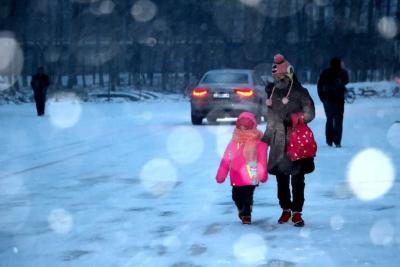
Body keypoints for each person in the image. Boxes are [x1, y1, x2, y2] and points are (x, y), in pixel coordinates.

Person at [262, 54, 315, 227]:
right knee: (281, 179)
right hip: (278, 142)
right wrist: (264, 142)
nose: (278, 79)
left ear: (289, 75)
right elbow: (270, 120)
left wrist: (294, 119)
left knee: (298, 179)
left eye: (281, 76)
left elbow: (310, 113)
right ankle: (285, 209)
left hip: (297, 141)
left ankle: (297, 212)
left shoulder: (301, 92)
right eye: (276, 77)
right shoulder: (273, 94)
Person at [216, 111, 268, 224]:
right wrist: (221, 175)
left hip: (251, 173)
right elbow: (226, 160)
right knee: (236, 196)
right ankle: (242, 210)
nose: (244, 129)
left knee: (247, 195)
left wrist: (263, 174)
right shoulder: (234, 142)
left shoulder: (259, 142)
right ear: (238, 126)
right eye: (241, 126)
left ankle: (246, 214)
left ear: (252, 126)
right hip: (236, 175)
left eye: (247, 126)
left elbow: (262, 160)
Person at [317, 57, 349, 147]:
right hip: (339, 99)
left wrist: (322, 97)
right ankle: (337, 141)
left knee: (329, 119)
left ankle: (329, 140)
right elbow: (346, 81)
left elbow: (319, 85)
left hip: (327, 99)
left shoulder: (325, 72)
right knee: (339, 120)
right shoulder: (342, 72)